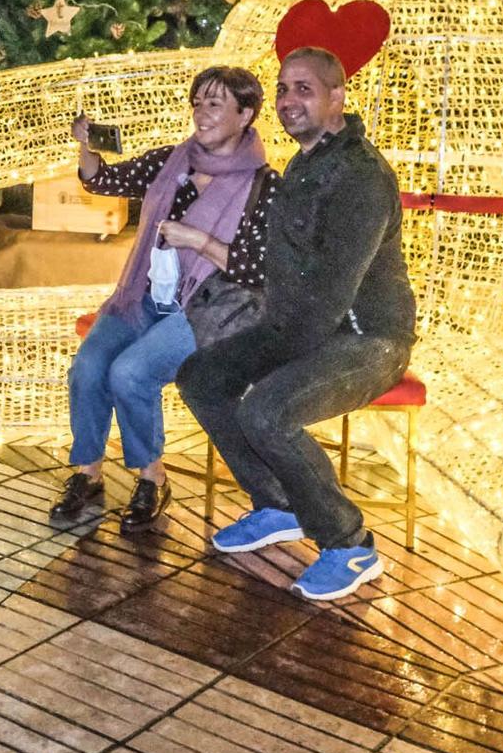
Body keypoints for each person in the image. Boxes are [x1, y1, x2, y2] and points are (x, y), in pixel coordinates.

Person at [177, 47, 415, 601]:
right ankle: (278, 504)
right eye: (283, 89)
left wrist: (275, 358)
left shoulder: (360, 177)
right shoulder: (306, 163)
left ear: (338, 97)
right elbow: (284, 271)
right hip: (300, 324)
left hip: (368, 338)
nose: (288, 101)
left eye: (303, 89)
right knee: (202, 378)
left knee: (267, 410)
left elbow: (333, 291)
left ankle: (349, 544)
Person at [50, 66, 275, 535]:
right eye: (197, 102)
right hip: (146, 296)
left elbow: (257, 271)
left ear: (245, 114)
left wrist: (198, 240)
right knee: (88, 368)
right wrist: (85, 147)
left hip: (208, 310)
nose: (202, 112)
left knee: (131, 373)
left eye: (215, 103)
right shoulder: (173, 161)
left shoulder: (264, 187)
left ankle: (153, 478)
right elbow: (103, 182)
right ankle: (88, 473)